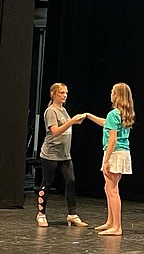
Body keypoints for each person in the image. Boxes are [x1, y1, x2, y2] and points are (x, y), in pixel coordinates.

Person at [85, 83, 135, 236]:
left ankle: (117, 227)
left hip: (115, 153)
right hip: (122, 152)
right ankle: (110, 221)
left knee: (112, 190)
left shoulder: (113, 113)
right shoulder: (120, 113)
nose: (110, 94)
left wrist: (106, 160)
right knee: (109, 188)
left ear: (117, 95)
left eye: (113, 91)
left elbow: (112, 139)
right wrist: (89, 116)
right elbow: (106, 124)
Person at [36, 83, 87, 227]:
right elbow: (55, 131)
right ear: (53, 94)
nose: (65, 95)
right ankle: (41, 214)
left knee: (70, 181)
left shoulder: (63, 110)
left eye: (66, 93)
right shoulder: (51, 111)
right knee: (47, 182)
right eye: (61, 93)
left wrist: (76, 120)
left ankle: (72, 214)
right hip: (51, 154)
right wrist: (72, 121)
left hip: (65, 154)